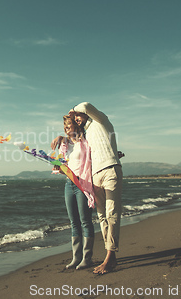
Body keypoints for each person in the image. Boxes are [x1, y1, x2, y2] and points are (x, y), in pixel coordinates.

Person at [51, 102, 123, 275]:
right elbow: (69, 161)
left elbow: (86, 107)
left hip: (96, 178)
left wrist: (74, 111)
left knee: (100, 216)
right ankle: (80, 256)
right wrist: (59, 164)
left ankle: (98, 257)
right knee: (89, 219)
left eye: (73, 122)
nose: (69, 127)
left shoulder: (95, 128)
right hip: (82, 180)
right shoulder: (74, 140)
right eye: (67, 125)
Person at [55, 115, 95, 270]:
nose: (66, 129)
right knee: (73, 222)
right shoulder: (64, 144)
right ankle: (75, 257)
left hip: (83, 183)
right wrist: (59, 167)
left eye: (69, 125)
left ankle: (87, 258)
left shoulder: (86, 141)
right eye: (64, 126)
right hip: (69, 184)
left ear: (77, 125)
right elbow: (64, 164)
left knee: (85, 221)